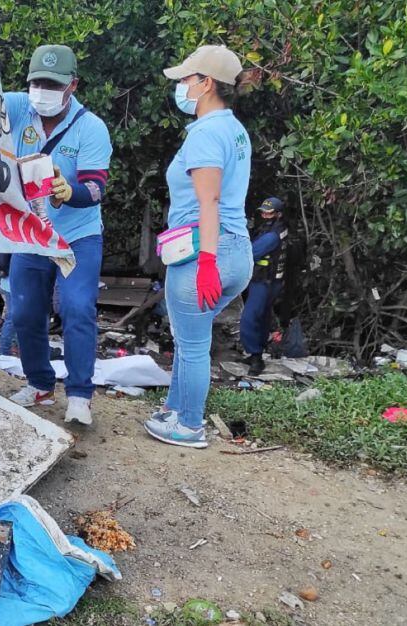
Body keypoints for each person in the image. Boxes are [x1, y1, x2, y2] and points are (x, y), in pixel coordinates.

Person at [144, 45, 253, 449]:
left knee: (191, 345)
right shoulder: (234, 129)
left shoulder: (206, 133)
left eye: (187, 79)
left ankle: (189, 425)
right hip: (237, 251)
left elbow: (208, 201)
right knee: (191, 335)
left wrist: (206, 262)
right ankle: (175, 408)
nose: (181, 87)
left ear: (206, 83)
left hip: (204, 252)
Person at [4, 44, 112, 425]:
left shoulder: (91, 127)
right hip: (31, 233)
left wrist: (72, 192)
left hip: (77, 237)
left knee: (78, 308)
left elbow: (98, 186)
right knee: (25, 311)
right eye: (37, 82)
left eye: (52, 84)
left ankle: (80, 395)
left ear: (73, 85)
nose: (42, 90)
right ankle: (39, 385)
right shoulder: (20, 108)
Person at [240, 197, 289, 375]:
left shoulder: (271, 236)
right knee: (262, 317)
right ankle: (257, 352)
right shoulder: (278, 228)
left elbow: (251, 253)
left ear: (278, 214)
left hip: (264, 282)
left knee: (249, 318)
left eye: (269, 212)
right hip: (271, 282)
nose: (264, 215)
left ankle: (256, 358)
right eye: (263, 211)